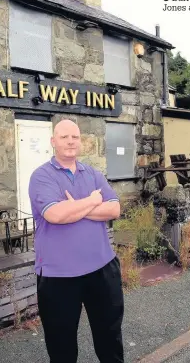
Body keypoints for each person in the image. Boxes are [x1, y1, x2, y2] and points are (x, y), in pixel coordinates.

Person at [28, 119, 124, 363]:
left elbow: (114, 209)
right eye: (64, 137)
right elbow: (55, 215)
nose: (70, 141)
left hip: (102, 270)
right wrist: (92, 201)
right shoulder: (41, 176)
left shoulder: (92, 173)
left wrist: (77, 207)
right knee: (62, 348)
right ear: (53, 142)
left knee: (110, 339)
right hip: (59, 276)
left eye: (75, 137)